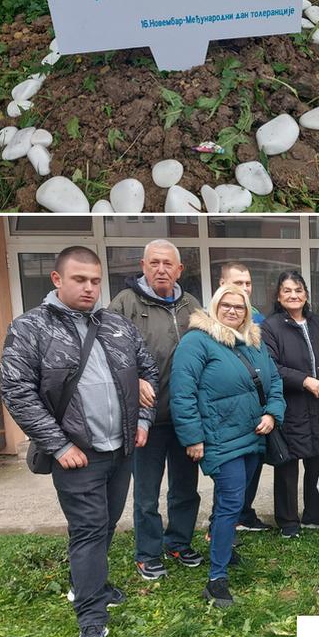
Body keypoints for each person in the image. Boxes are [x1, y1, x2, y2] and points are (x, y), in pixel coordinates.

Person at [0, 246, 158, 637]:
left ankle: (92, 582)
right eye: (79, 279)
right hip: (77, 455)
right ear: (57, 280)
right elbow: (17, 390)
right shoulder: (30, 328)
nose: (89, 288)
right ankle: (91, 618)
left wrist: (141, 422)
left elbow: (149, 370)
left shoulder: (116, 325)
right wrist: (58, 444)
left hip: (120, 450)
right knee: (88, 530)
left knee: (104, 525)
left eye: (94, 280)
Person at [170, 285, 285, 606]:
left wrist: (273, 414)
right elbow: (182, 391)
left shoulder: (253, 340)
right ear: (215, 307)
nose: (233, 311)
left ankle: (224, 549)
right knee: (231, 503)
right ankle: (216, 579)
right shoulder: (197, 342)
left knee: (231, 502)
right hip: (221, 440)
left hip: (252, 436)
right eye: (227, 305)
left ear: (247, 311)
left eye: (239, 306)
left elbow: (274, 381)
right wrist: (192, 437)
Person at [109, 239, 203, 581]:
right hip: (145, 420)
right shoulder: (125, 303)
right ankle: (147, 552)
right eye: (154, 263)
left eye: (168, 264)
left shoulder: (192, 305)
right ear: (143, 265)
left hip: (184, 417)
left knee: (185, 488)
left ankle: (178, 541)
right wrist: (133, 379)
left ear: (179, 270)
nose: (161, 269)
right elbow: (107, 352)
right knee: (146, 493)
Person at [261, 271, 319, 538]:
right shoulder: (271, 327)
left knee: (316, 462)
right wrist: (303, 380)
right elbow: (270, 367)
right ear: (279, 296)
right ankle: (288, 521)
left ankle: (314, 513)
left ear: (306, 294)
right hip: (289, 406)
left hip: (318, 407)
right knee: (287, 466)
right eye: (287, 291)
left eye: (298, 290)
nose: (293, 295)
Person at [217, 261, 269, 534]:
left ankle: (243, 514)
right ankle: (220, 528)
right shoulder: (210, 322)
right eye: (238, 283)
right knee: (229, 481)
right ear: (222, 286)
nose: (245, 288)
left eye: (248, 283)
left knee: (252, 470)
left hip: (255, 414)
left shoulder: (257, 319)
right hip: (226, 418)